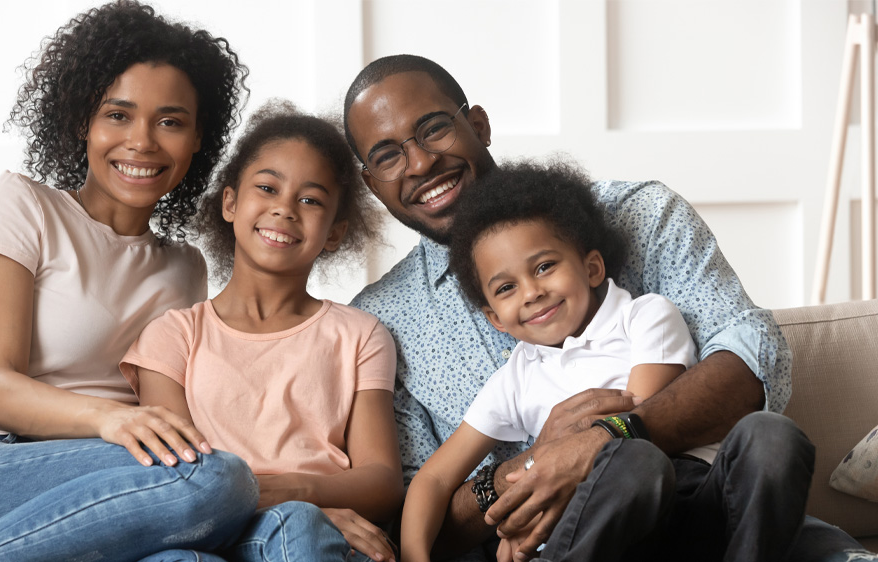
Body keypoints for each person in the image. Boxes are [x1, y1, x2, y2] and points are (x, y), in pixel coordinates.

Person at [343, 54, 872, 562]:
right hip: (574, 539)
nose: (420, 163)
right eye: (387, 155)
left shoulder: (641, 215)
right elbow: (411, 509)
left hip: (720, 516)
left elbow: (753, 364)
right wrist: (530, 468)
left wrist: (604, 439)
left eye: (434, 128)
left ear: (478, 124)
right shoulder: (379, 324)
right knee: (632, 468)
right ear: (370, 181)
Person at [0, 2, 258, 560]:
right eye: (118, 115)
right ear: (81, 119)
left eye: (171, 121)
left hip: (97, 491)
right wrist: (114, 418)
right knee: (214, 480)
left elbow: (179, 416)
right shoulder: (22, 206)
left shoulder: (186, 268)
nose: (142, 141)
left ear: (199, 137)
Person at [401, 160, 813, 562]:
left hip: (693, 498)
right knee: (630, 462)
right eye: (506, 287)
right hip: (595, 525)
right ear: (495, 319)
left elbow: (634, 420)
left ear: (592, 267)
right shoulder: (515, 378)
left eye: (544, 267)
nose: (531, 292)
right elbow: (433, 479)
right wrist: (415, 555)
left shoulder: (645, 317)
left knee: (768, 435)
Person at [119, 102, 404, 562]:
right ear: (230, 202)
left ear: (334, 232)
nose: (285, 209)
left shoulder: (360, 335)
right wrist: (307, 500)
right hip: (210, 533)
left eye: (311, 200)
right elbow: (181, 481)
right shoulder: (171, 338)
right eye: (267, 188)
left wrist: (303, 501)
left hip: (311, 537)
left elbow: (383, 482)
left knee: (301, 529)